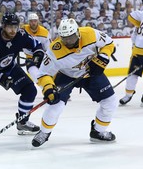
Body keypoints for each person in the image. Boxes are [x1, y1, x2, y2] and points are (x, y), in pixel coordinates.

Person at [32, 18, 117, 147]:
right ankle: (44, 132)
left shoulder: (90, 33)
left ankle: (98, 131)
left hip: (90, 72)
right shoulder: (54, 50)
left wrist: (103, 57)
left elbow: (109, 44)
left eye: (71, 37)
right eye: (64, 38)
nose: (68, 41)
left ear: (77, 32)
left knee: (110, 101)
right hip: (66, 75)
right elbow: (43, 74)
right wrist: (48, 88)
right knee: (56, 105)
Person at [22, 12, 51, 82]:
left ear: (38, 21)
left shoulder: (44, 32)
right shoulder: (23, 30)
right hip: (29, 57)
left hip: (41, 57)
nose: (33, 23)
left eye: (35, 21)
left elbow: (48, 49)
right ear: (28, 22)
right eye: (31, 21)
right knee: (34, 75)